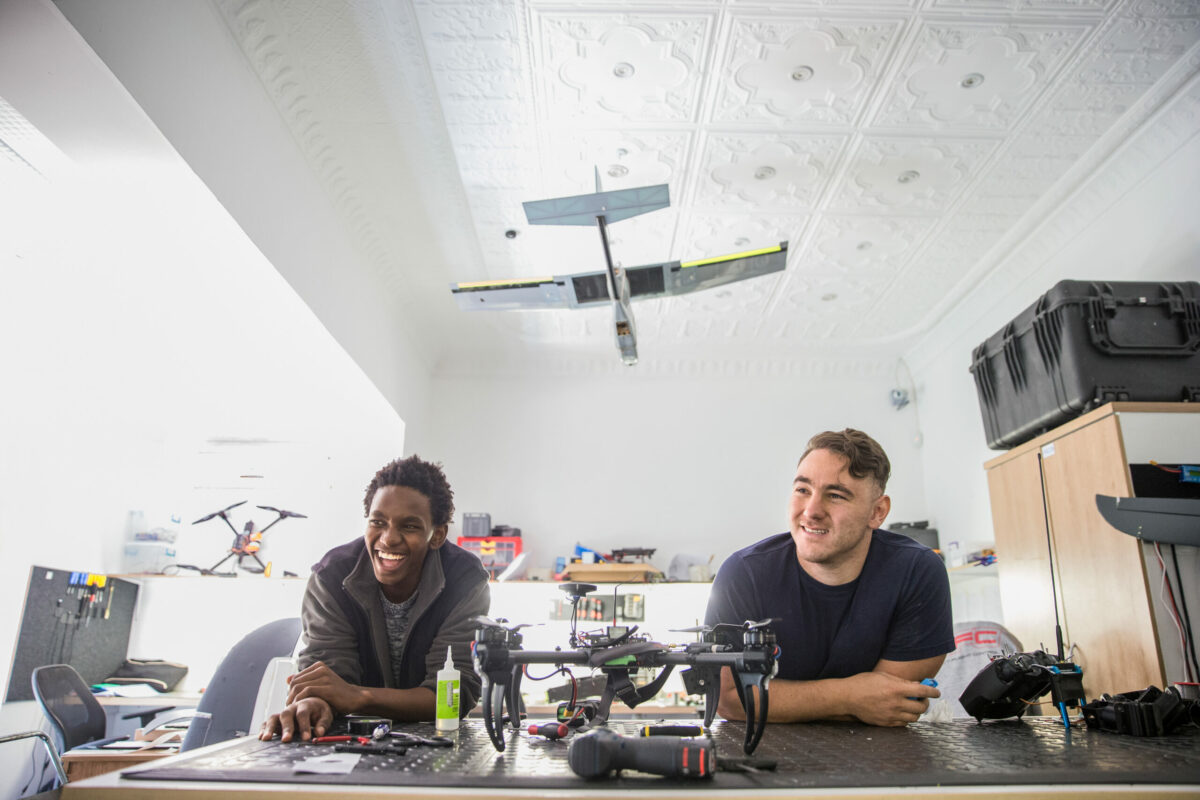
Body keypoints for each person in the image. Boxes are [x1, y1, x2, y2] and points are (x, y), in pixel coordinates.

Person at [704, 428, 953, 727]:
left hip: (875, 760)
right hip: (758, 757)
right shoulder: (743, 574)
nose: (811, 511)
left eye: (835, 495)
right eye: (802, 490)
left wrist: (771, 700)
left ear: (877, 512)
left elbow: (887, 705)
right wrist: (849, 696)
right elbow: (727, 699)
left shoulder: (918, 572)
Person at [260, 455, 490, 742]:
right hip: (352, 742)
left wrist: (359, 697)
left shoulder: (464, 580)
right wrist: (314, 704)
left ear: (438, 535)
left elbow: (453, 696)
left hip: (437, 741)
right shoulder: (332, 578)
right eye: (378, 522)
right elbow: (327, 676)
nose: (389, 538)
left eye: (409, 526)